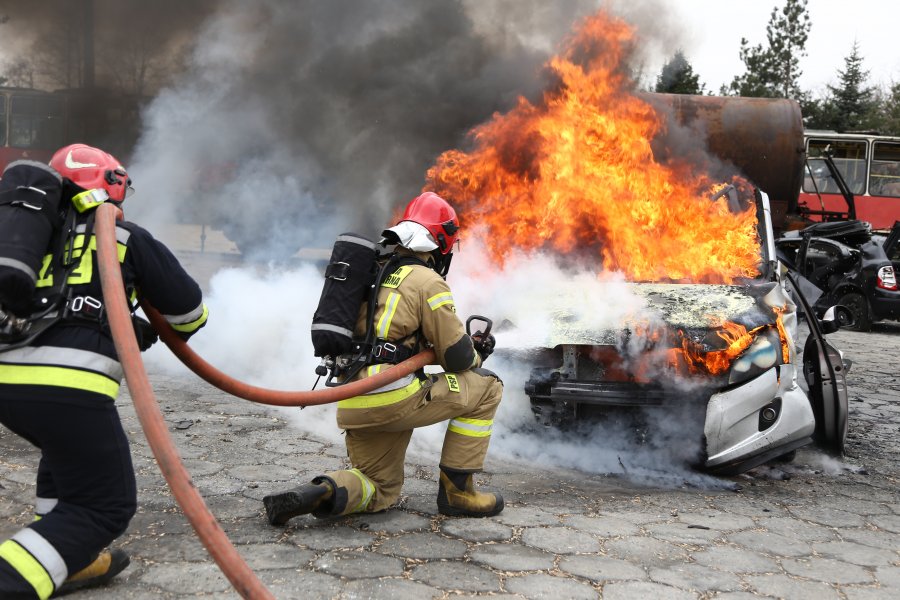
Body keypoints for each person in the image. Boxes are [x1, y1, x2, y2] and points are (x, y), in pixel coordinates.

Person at [0, 144, 209, 599]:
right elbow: (189, 315)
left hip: (8, 384)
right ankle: (12, 578)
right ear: (111, 184)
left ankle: (67, 561)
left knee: (66, 454)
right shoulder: (124, 236)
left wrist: (117, 322)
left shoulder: (27, 236)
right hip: (67, 384)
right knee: (103, 505)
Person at [264, 191, 504, 523]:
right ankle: (458, 494)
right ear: (441, 242)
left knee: (379, 487)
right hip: (395, 397)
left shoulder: (370, 272)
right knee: (488, 386)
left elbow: (396, 345)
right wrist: (477, 353)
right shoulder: (428, 282)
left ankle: (319, 493)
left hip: (354, 398)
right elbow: (457, 358)